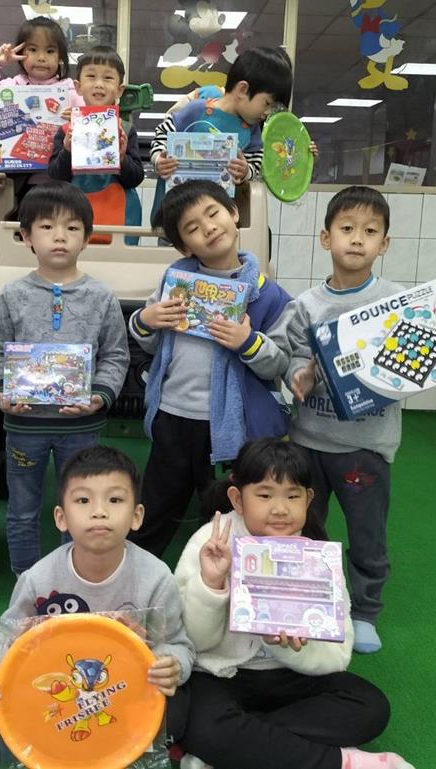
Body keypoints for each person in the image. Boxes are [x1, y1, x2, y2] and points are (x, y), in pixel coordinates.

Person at [287, 185, 436, 654]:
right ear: (326, 238)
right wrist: (299, 374)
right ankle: (308, 606)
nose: (357, 239)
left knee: (367, 535)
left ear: (384, 244)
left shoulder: (402, 301)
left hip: (367, 447)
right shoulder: (305, 305)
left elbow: (431, 351)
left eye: (369, 232)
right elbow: (291, 358)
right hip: (308, 441)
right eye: (347, 228)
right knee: (305, 531)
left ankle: (364, 612)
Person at [173, 438, 411, 769]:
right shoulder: (211, 542)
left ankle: (231, 747)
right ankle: (341, 761)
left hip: (292, 678)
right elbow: (189, 642)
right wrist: (211, 586)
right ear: (237, 499)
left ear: (308, 499)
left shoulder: (317, 554)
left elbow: (337, 657)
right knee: (186, 714)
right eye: (265, 495)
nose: (280, 509)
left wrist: (289, 648)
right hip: (221, 676)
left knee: (371, 706)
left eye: (293, 496)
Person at [0, 445, 194, 765]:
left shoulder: (156, 578)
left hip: (122, 687)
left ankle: (138, 740)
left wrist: (171, 664)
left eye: (115, 500)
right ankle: (15, 739)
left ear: (137, 516)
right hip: (59, 686)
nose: (99, 511)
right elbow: (4, 636)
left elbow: (178, 646)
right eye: (83, 500)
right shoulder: (38, 578)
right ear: (61, 517)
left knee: (179, 708)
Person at [128, 179, 293, 558]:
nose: (208, 227)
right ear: (185, 246)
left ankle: (231, 577)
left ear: (234, 214)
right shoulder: (175, 282)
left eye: (213, 213)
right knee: (157, 504)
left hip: (231, 427)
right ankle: (138, 574)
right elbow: (152, 344)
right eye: (192, 227)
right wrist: (146, 320)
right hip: (173, 414)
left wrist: (248, 342)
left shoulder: (267, 294)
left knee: (226, 510)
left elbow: (280, 362)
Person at [0, 182, 129, 575]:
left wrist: (100, 396)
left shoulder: (101, 296)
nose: (60, 236)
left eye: (72, 228)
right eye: (47, 227)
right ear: (26, 236)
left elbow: (116, 354)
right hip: (23, 425)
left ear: (87, 236)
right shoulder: (13, 294)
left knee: (81, 508)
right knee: (22, 510)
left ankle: (73, 580)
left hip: (81, 427)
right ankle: (25, 582)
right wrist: (0, 393)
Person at [148, 46, 292, 226]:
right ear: (242, 89)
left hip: (216, 221)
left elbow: (256, 164)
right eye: (267, 103)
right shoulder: (196, 110)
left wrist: (245, 170)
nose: (267, 113)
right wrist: (159, 159)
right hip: (175, 212)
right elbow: (163, 133)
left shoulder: (251, 131)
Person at [0, 16, 82, 209]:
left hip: (64, 182)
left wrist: (78, 120)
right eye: (33, 49)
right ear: (21, 53)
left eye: (50, 51)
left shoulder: (72, 92)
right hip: (17, 185)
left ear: (60, 57)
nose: (41, 57)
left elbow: (94, 127)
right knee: (24, 226)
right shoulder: (10, 89)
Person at [48, 46, 143, 245]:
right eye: (91, 76)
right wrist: (66, 151)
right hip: (74, 214)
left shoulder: (126, 130)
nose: (99, 84)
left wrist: (122, 158)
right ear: (78, 86)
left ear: (120, 89)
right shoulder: (66, 130)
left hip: (120, 215)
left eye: (108, 78)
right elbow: (56, 177)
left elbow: (135, 179)